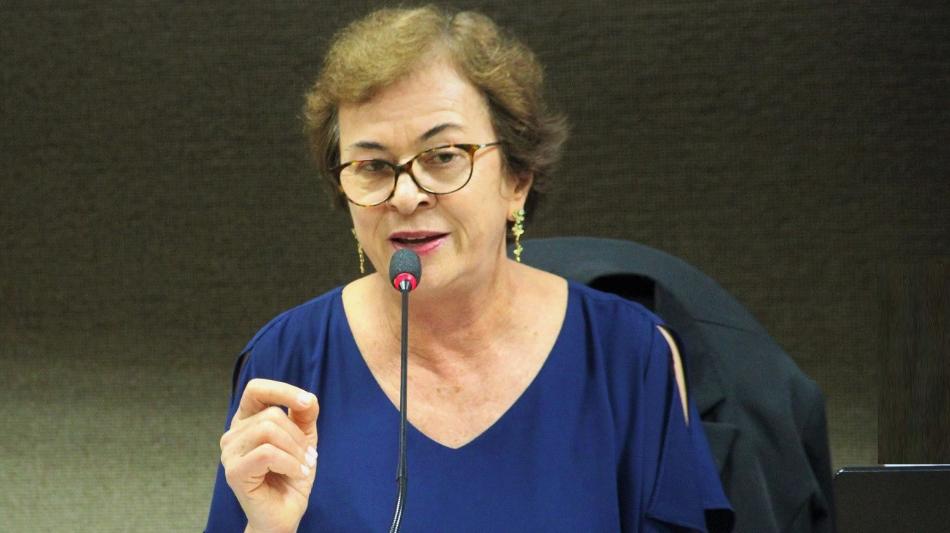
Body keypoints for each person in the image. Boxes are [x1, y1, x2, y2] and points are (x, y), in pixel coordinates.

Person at [206, 6, 732, 533]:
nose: (406, 196)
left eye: (443, 156)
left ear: (517, 179)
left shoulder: (629, 356)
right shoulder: (284, 361)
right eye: (373, 166)